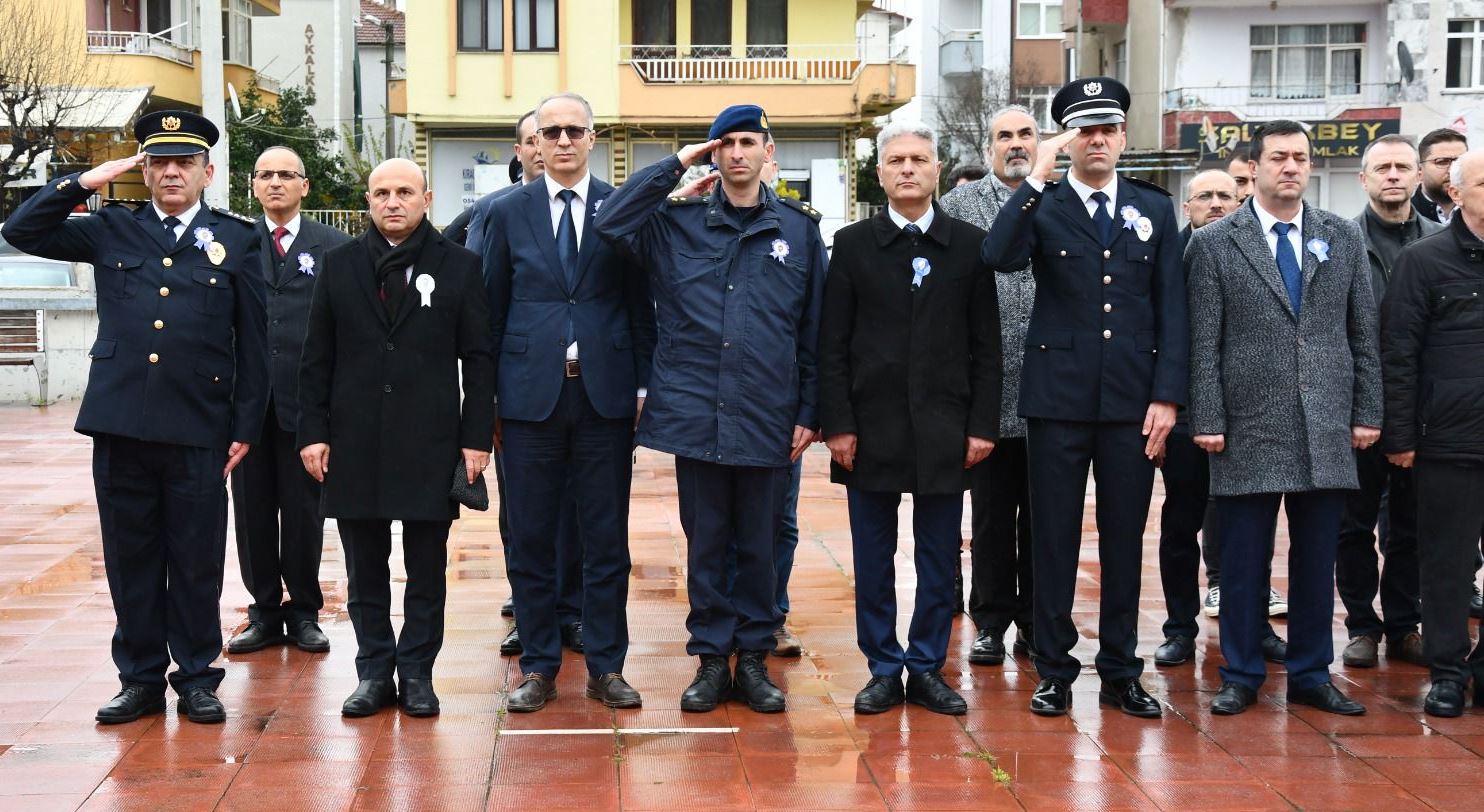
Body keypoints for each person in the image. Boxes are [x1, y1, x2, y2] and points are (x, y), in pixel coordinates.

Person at [2, 110, 268, 724]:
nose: (171, 172)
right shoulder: (112, 228)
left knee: (197, 556)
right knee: (131, 555)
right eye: (158, 162)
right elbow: (22, 229)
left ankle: (198, 677)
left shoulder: (239, 237)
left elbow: (254, 341)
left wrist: (245, 426)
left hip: (200, 426)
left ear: (207, 171)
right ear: (143, 169)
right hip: (122, 422)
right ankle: (141, 678)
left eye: (184, 162)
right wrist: (88, 180)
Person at [596, 104, 826, 714]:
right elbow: (611, 223)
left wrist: (810, 408)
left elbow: (814, 331)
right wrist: (678, 163)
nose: (737, 153)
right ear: (714, 154)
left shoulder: (799, 232)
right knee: (705, 540)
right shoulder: (679, 224)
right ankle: (708, 660)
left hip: (768, 412)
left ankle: (751, 660)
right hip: (697, 410)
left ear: (767, 150)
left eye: (748, 142)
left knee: (759, 541)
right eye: (725, 144)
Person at [981, 77, 1186, 718]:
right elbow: (998, 255)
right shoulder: (1040, 203)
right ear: (1067, 140)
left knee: (1125, 536)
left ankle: (1123, 667)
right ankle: (1054, 665)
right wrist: (1036, 176)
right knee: (1054, 538)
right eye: (1083, 130)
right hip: (1058, 401)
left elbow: (1171, 310)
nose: (1096, 140)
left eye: (1107, 129)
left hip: (1131, 402)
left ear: (1123, 136)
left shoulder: (1153, 209)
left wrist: (1168, 396)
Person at [1187, 120, 1382, 716]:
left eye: (1300, 157)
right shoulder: (1217, 242)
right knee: (1243, 561)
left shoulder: (1340, 236)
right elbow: (1203, 340)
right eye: (1278, 158)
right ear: (1257, 167)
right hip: (1248, 422)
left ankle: (1310, 673)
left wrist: (1368, 409)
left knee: (1316, 558)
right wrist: (1208, 414)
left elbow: (1362, 331)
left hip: (1326, 421)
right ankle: (1241, 672)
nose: (1291, 167)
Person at [297, 158, 495, 719]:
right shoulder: (338, 266)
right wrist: (313, 432)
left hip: (430, 440)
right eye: (381, 192)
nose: (393, 202)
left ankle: (417, 674)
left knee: (426, 567)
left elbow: (479, 360)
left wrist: (476, 438)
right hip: (354, 439)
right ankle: (373, 671)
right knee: (364, 567)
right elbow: (317, 358)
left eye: (404, 191)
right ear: (368, 200)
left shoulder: (459, 266)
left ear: (426, 199)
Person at [820, 121, 1001, 715]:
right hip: (869, 429)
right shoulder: (850, 245)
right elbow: (833, 343)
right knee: (871, 557)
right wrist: (837, 423)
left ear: (937, 170)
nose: (906, 169)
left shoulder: (971, 245)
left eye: (918, 159)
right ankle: (880, 665)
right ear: (879, 173)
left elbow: (986, 346)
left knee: (937, 557)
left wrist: (981, 425)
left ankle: (926, 666)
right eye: (895, 160)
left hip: (945, 427)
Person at [483, 92, 655, 713]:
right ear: (537, 141)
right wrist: (488, 402)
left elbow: (642, 305)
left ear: (592, 138)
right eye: (550, 131)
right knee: (531, 538)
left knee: (606, 539)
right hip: (529, 402)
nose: (561, 141)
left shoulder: (620, 207)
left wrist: (641, 388)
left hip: (604, 398)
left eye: (572, 131)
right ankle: (538, 666)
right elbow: (491, 311)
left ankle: (607, 667)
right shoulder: (507, 212)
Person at [225, 146, 351, 656]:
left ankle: (303, 611)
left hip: (308, 407)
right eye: (265, 175)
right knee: (252, 514)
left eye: (286, 175)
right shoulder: (232, 244)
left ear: (305, 186)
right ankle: (263, 612)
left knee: (305, 513)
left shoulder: (336, 247)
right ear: (253, 185)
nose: (275, 182)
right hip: (247, 408)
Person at [1381, 150, 1484, 717]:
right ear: (1457, 192)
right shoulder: (1424, 261)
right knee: (1446, 563)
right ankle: (1448, 670)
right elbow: (1398, 353)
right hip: (1448, 440)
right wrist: (1401, 435)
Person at [1336, 134, 1439, 669]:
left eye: (1403, 166)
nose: (1393, 175)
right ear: (1364, 179)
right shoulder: (1338, 242)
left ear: (1419, 176)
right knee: (1351, 526)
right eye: (1383, 168)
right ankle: (1361, 626)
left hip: (1425, 411)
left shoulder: (1446, 241)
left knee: (1410, 526)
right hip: (1355, 412)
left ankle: (1403, 624)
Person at [940, 104, 1038, 667]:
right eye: (1004, 136)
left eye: (1026, 134)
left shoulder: (1063, 201)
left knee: (1047, 520)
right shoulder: (958, 207)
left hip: (1052, 393)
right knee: (992, 518)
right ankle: (991, 621)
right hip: (986, 393)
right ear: (989, 149)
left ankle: (1037, 621)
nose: (1016, 144)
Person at [1414, 128, 1467, 224]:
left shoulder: (1478, 211)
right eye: (1442, 162)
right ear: (1420, 170)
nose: (1452, 170)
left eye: (1459, 162)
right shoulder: (1404, 213)